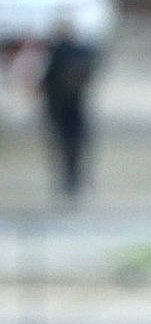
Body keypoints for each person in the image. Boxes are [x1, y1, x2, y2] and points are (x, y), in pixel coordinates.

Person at [40, 16, 96, 204]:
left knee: (72, 146)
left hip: (71, 109)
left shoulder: (76, 51)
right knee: (65, 146)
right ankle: (69, 180)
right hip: (61, 108)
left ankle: (73, 180)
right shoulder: (56, 51)